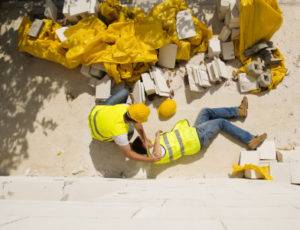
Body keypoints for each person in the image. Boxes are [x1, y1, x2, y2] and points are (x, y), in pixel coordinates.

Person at [132, 97, 267, 164]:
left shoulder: (156, 147)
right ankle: (250, 140)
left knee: (205, 112)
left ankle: (239, 111)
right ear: (144, 147)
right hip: (197, 139)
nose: (147, 139)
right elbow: (157, 155)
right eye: (145, 141)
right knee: (221, 123)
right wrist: (156, 137)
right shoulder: (155, 153)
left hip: (194, 132)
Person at [88, 82, 161, 163]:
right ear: (135, 120)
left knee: (124, 92)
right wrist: (150, 159)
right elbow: (128, 153)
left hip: (96, 112)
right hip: (97, 133)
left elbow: (137, 122)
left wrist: (144, 139)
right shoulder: (120, 133)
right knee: (130, 132)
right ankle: (116, 141)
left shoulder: (126, 107)